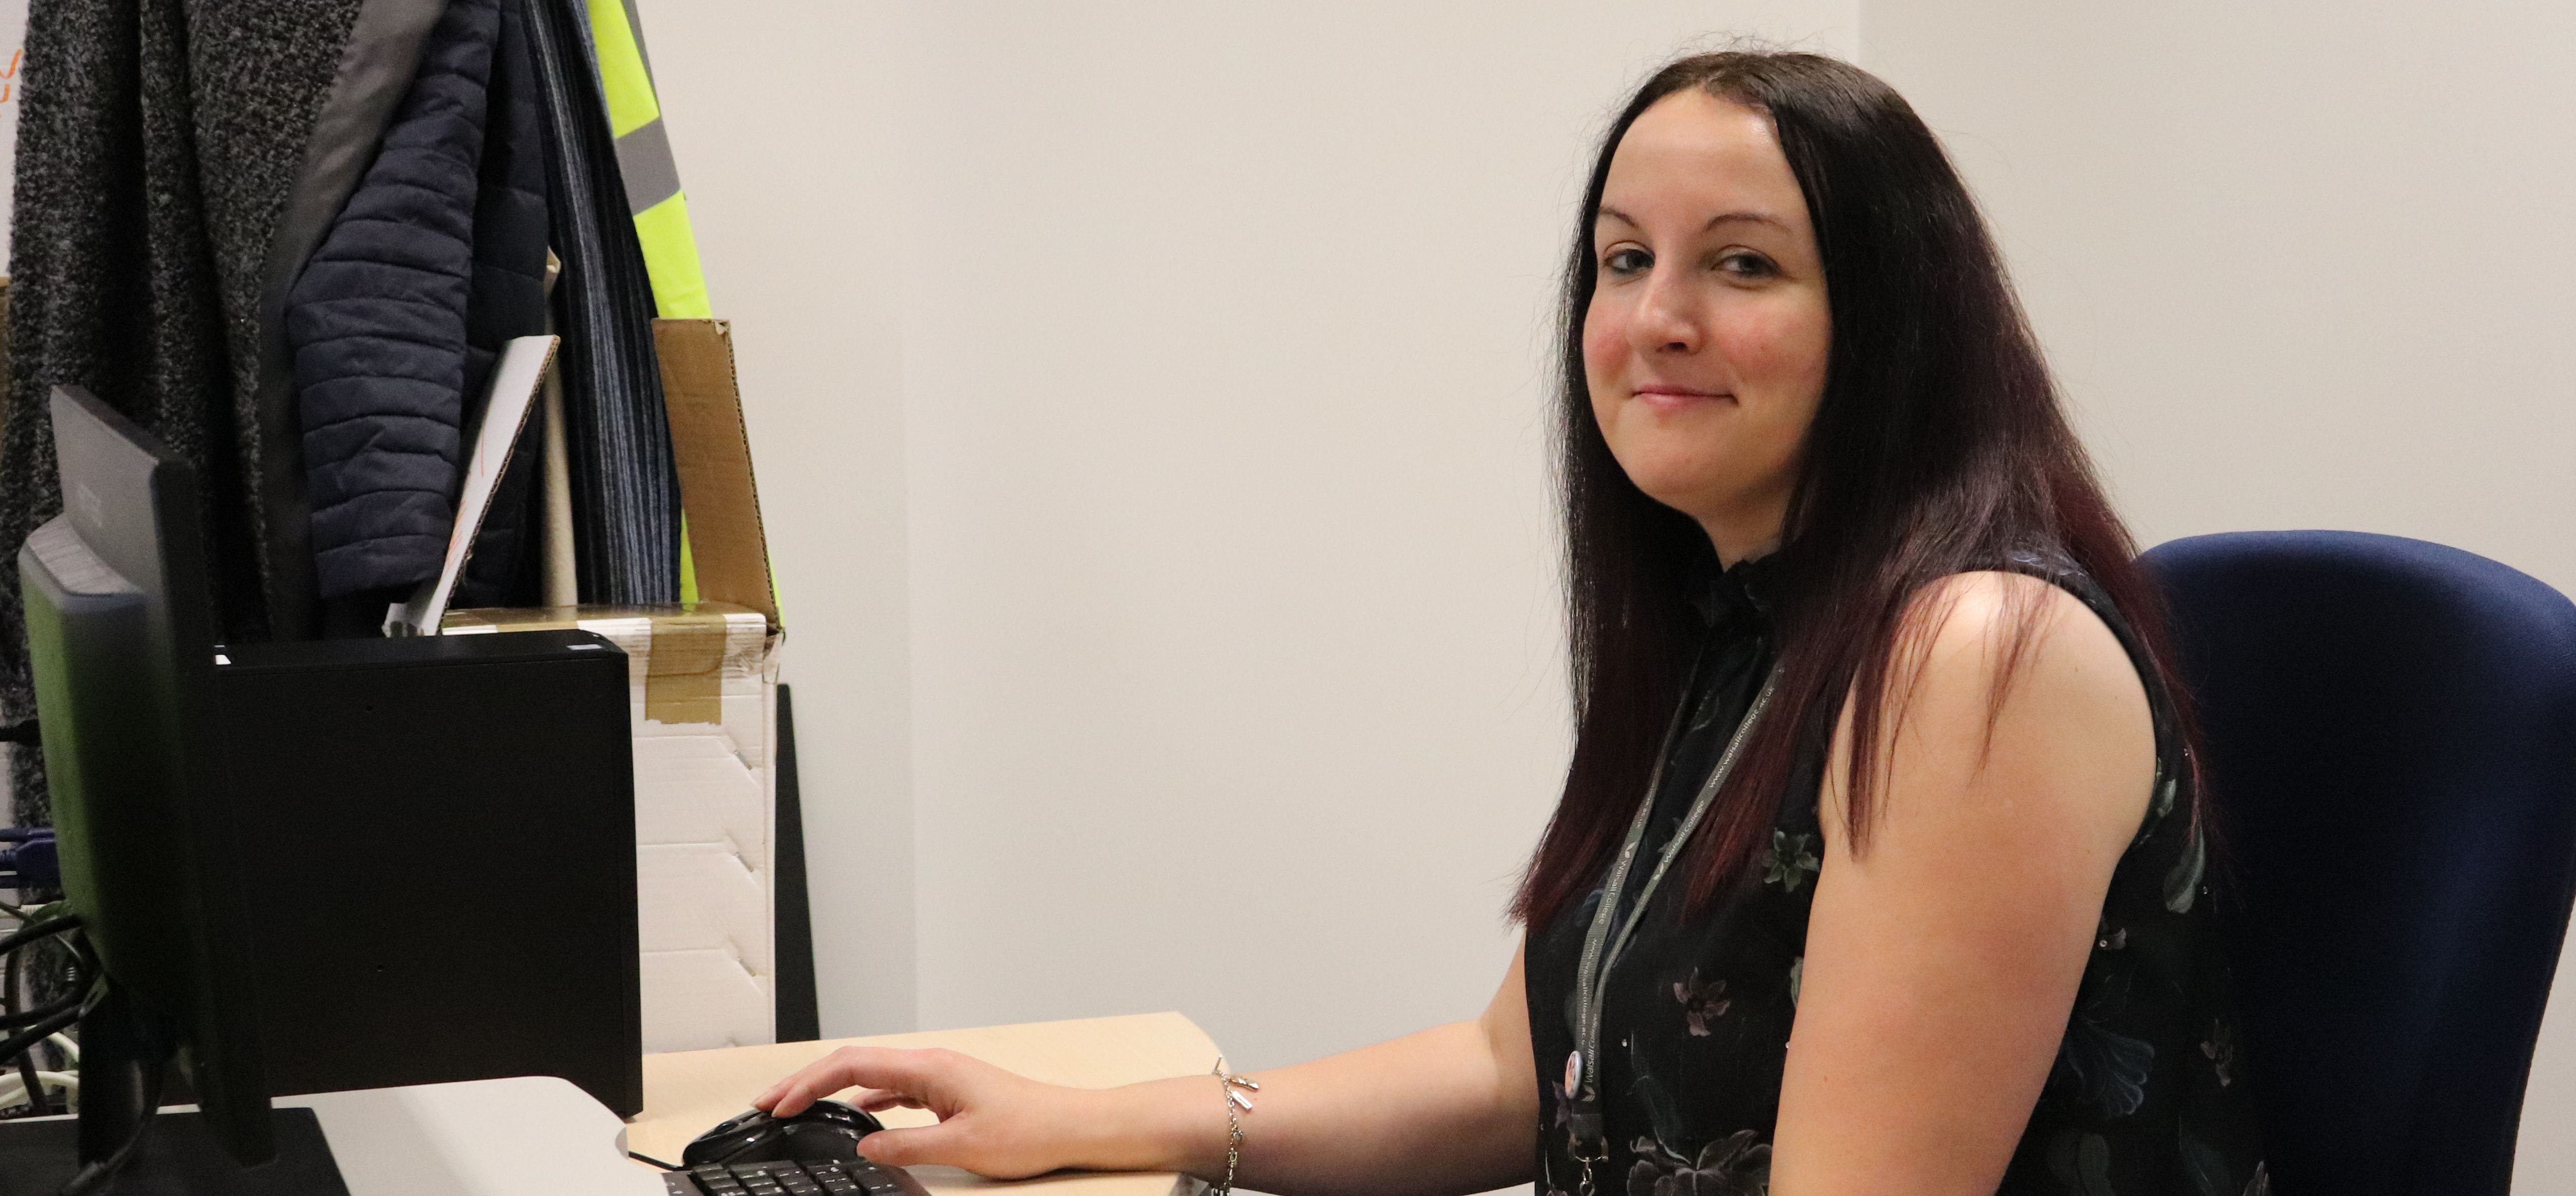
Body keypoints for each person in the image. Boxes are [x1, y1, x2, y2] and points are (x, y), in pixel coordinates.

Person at [751, 51, 2266, 1196]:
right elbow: (1518, 1069)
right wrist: (1094, 1114)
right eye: (1624, 259)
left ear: (1892, 325)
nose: (1655, 315)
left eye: (1741, 262)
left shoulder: (1972, 653)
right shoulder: (1744, 620)